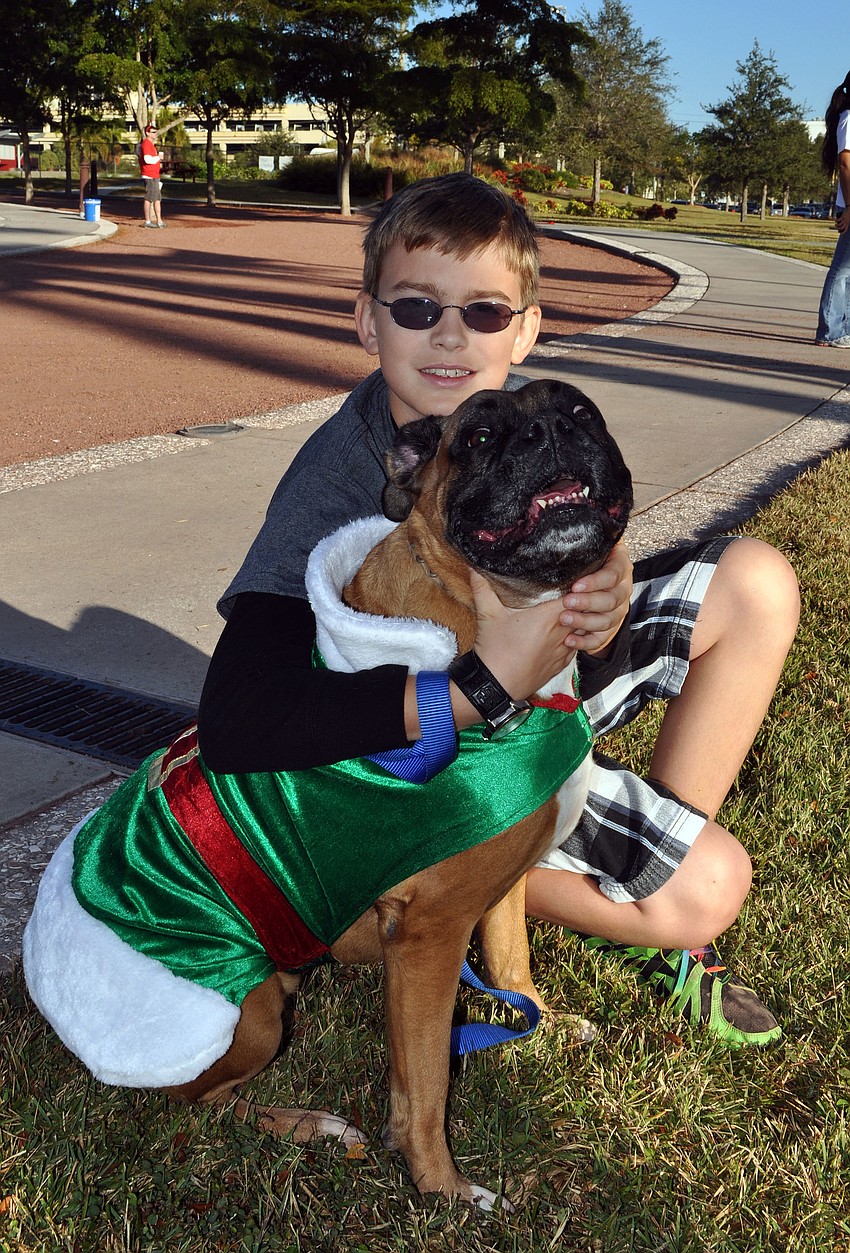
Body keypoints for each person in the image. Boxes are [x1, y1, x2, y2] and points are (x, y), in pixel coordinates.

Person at [198, 173, 799, 1047]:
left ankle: (631, 856)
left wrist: (607, 573)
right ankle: (471, 879)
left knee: (755, 583)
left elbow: (574, 519)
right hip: (429, 762)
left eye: (484, 312)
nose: (450, 335)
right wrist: (470, 693)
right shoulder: (334, 482)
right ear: (368, 321)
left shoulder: (521, 423)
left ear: (526, 328)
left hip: (535, 691)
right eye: (416, 308)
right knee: (706, 889)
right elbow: (238, 719)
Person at [816, 71, 850, 347]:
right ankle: (830, 331)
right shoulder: (849, 120)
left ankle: (843, 329)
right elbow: (845, 164)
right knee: (841, 270)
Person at [139, 123, 165, 229]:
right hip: (149, 175)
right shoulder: (146, 144)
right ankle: (147, 221)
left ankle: (159, 220)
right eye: (153, 132)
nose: (155, 134)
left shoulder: (151, 145)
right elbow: (147, 160)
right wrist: (158, 157)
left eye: (156, 132)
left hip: (155, 175)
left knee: (157, 198)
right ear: (147, 133)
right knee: (149, 198)